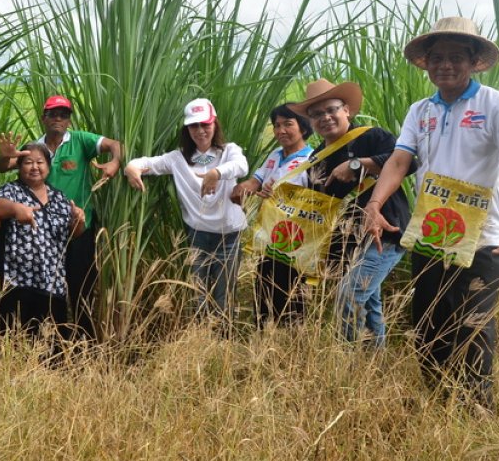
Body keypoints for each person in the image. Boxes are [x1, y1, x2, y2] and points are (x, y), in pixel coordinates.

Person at [365, 17, 499, 410]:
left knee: (472, 329)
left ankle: (477, 415)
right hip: (431, 236)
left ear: (474, 61)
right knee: (429, 327)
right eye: (437, 58)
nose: (445, 65)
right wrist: (374, 205)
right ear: (426, 63)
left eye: (456, 57)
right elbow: (399, 161)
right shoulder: (420, 111)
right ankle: (438, 406)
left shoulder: (495, 105)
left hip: (482, 240)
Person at [288, 80, 414, 348]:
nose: (325, 117)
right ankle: (373, 363)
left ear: (346, 110)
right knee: (369, 304)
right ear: (310, 121)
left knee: (349, 295)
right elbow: (317, 205)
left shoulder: (372, 136)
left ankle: (346, 360)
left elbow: (407, 162)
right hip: (349, 241)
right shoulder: (317, 158)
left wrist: (357, 165)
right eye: (316, 114)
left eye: (331, 109)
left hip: (385, 234)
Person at [0, 94, 121, 338]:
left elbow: (116, 144)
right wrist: (5, 155)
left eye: (64, 114)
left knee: (81, 288)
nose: (58, 118)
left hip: (77, 228)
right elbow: (4, 166)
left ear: (69, 119)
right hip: (45, 236)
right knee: (49, 289)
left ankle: (83, 342)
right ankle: (50, 339)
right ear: (44, 118)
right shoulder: (36, 148)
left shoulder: (81, 140)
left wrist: (115, 162)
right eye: (53, 114)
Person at [125, 99, 249, 321]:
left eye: (205, 124)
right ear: (187, 129)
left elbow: (242, 166)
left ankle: (224, 339)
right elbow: (144, 163)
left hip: (228, 237)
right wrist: (131, 167)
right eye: (194, 126)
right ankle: (199, 338)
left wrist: (216, 173)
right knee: (197, 297)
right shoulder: (177, 159)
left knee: (224, 299)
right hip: (197, 237)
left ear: (215, 124)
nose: (200, 131)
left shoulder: (229, 152)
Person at [232, 104, 314, 327]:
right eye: (277, 125)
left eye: (288, 124)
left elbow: (315, 202)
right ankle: (263, 335)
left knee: (291, 291)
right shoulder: (275, 155)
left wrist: (279, 196)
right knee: (264, 285)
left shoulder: (312, 159)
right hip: (269, 235)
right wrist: (242, 188)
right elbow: (257, 180)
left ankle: (290, 339)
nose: (281, 131)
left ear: (303, 128)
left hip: (296, 240)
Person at [0, 144, 85, 336]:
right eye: (28, 162)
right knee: (12, 337)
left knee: (50, 340)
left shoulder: (59, 198)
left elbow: (74, 234)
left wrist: (78, 221)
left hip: (52, 281)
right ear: (19, 167)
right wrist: (17, 209)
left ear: (48, 167)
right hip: (16, 281)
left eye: (40, 162)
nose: (34, 167)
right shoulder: (11, 191)